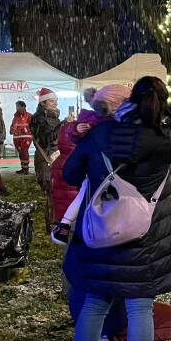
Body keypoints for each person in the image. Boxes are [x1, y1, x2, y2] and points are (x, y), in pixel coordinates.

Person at [62, 76, 171, 341]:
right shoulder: (163, 140)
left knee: (95, 303)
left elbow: (69, 174)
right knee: (140, 307)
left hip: (100, 235)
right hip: (143, 241)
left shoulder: (101, 134)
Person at [50, 83, 130, 244]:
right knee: (87, 194)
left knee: (86, 194)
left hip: (100, 173)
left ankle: (66, 224)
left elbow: (71, 171)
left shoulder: (103, 125)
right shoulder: (126, 125)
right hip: (111, 174)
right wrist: (77, 129)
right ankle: (65, 224)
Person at [30, 88, 61, 193]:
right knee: (50, 189)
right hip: (46, 158)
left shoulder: (53, 117)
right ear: (43, 103)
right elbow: (45, 140)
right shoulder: (39, 118)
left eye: (56, 100)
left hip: (54, 156)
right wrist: (63, 125)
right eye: (52, 101)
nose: (55, 103)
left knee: (56, 190)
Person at [10, 100, 34, 175]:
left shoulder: (29, 116)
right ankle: (23, 168)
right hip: (16, 137)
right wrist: (11, 130)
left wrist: (31, 133)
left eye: (18, 106)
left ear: (23, 107)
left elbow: (33, 126)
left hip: (26, 137)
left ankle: (26, 169)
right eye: (16, 106)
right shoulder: (15, 117)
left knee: (24, 151)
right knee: (20, 152)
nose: (17, 108)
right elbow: (13, 125)